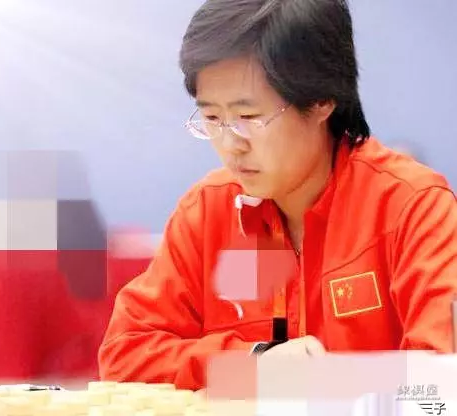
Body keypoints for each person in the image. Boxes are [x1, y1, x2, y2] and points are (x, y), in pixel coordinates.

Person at [98, 0, 457, 390]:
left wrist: (325, 384)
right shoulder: (207, 211)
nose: (230, 145)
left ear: (321, 99)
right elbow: (125, 355)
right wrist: (252, 365)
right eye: (212, 118)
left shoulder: (413, 207)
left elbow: (442, 377)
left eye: (249, 117)